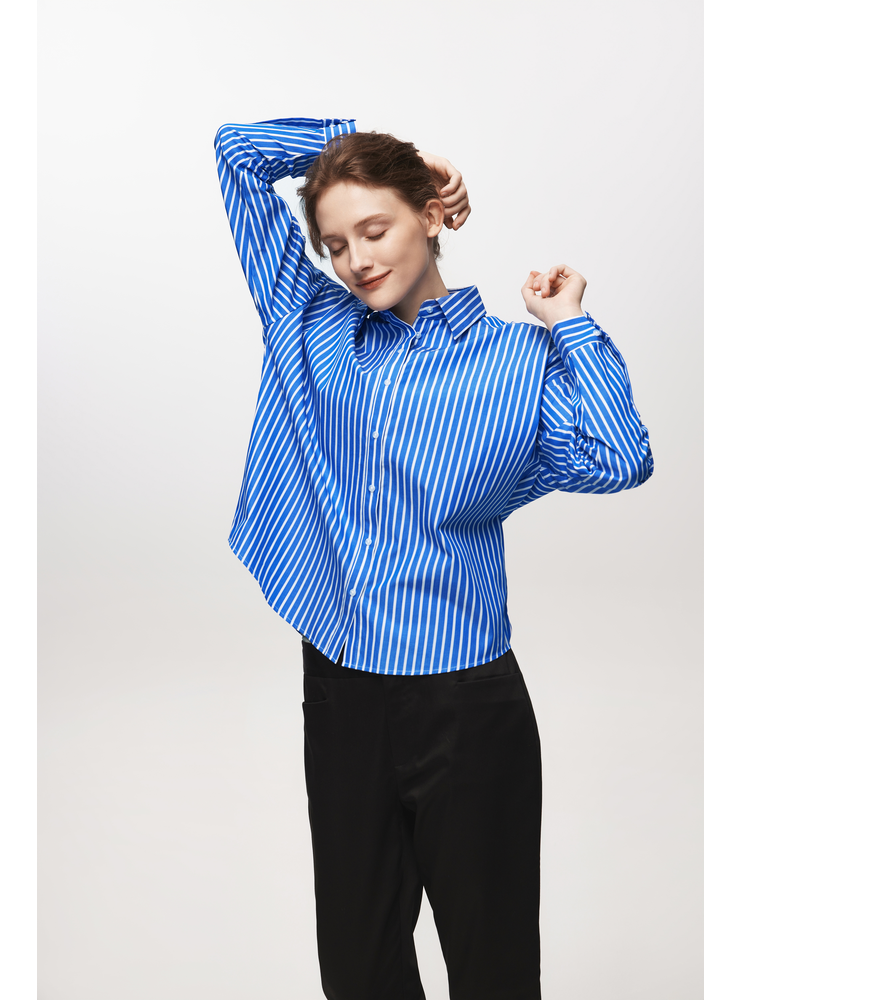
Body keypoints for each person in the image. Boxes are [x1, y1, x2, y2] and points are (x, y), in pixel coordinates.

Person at [214, 117, 653, 1000]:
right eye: (336, 244)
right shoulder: (309, 321)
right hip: (343, 691)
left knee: (492, 969)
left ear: (429, 215)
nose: (355, 260)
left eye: (374, 229)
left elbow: (620, 457)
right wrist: (394, 147)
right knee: (358, 968)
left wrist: (569, 324)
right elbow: (238, 151)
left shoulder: (517, 361)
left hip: (468, 705)